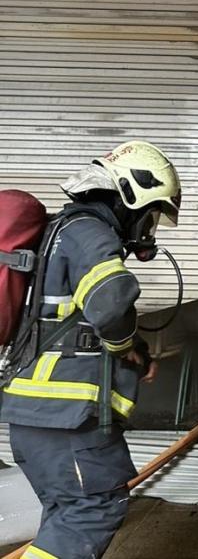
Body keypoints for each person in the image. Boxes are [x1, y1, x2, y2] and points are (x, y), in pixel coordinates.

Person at [1, 141, 181, 559]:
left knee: (65, 512)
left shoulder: (58, 234)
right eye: (151, 214)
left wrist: (129, 346)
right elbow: (112, 297)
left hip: (37, 417)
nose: (149, 228)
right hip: (66, 419)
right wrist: (121, 346)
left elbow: (68, 320)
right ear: (131, 195)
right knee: (93, 509)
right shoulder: (88, 232)